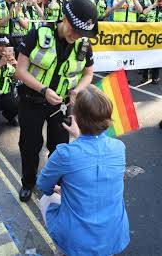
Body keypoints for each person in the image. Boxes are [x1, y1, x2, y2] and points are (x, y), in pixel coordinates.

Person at [16, 0, 98, 202]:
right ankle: (28, 182)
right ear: (64, 17)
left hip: (60, 106)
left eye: (82, 32)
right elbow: (20, 71)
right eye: (74, 29)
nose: (76, 35)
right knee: (30, 145)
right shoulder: (37, 33)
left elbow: (89, 73)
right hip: (31, 101)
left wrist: (77, 90)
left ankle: (54, 184)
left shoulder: (84, 45)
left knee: (60, 148)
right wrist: (43, 90)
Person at [37, 84, 130, 256]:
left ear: (76, 118)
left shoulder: (65, 153)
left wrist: (60, 189)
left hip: (77, 239)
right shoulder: (119, 147)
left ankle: (64, 250)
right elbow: (95, 160)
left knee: (46, 199)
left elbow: (43, 186)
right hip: (113, 236)